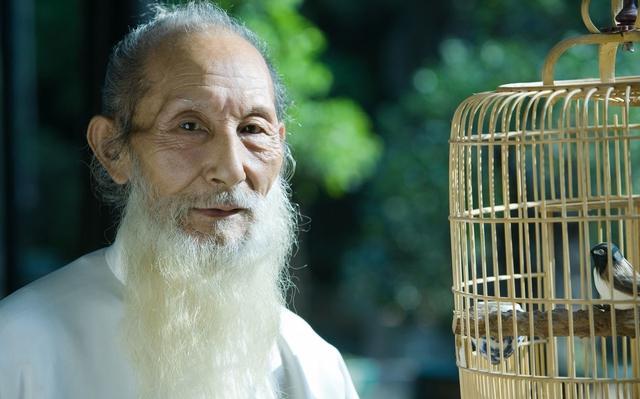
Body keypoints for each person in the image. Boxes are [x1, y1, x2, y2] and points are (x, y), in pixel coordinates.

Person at [0, 2, 359, 398]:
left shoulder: (314, 365)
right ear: (112, 150)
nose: (232, 168)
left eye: (252, 129)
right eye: (189, 126)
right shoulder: (21, 346)